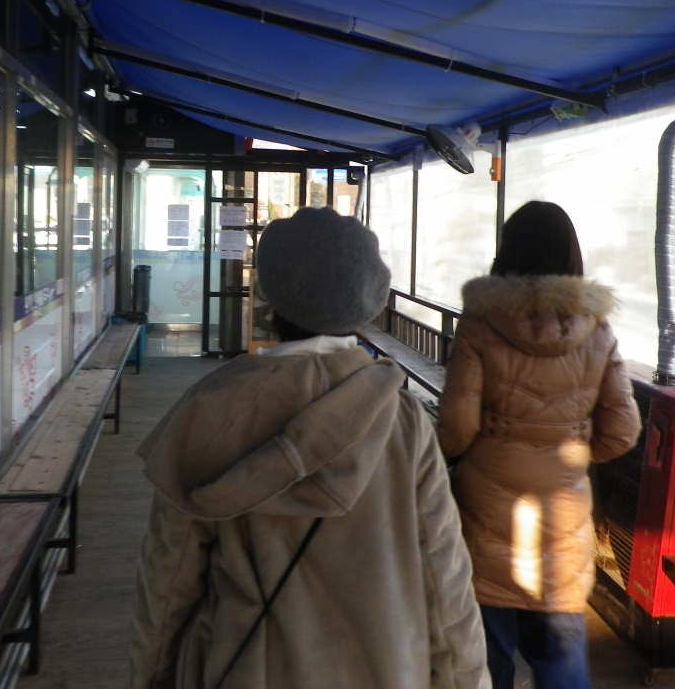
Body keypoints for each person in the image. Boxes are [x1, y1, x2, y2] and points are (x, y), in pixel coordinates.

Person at [128, 207, 488, 689]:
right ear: (366, 303)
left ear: (270, 297)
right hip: (387, 669)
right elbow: (446, 583)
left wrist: (150, 676)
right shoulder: (403, 421)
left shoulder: (210, 410)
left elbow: (168, 581)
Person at [437, 201, 642, 689]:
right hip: (561, 521)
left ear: (507, 252)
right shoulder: (598, 331)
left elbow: (456, 430)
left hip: (486, 518)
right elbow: (622, 430)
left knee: (485, 663)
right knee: (561, 661)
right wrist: (568, 452)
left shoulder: (480, 324)